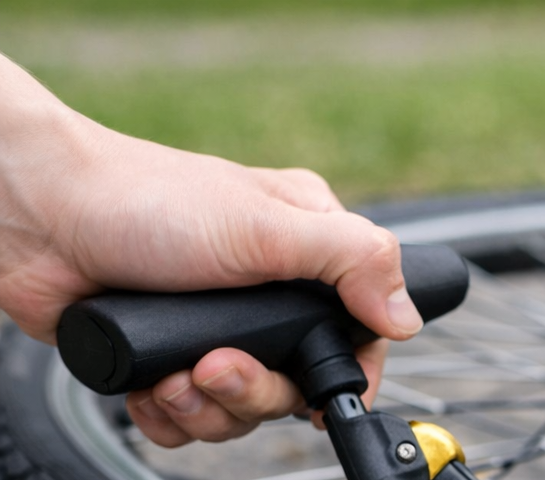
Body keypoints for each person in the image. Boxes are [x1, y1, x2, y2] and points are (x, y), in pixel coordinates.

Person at [0, 53, 418, 448]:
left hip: (112, 325)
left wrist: (52, 202)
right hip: (117, 326)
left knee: (219, 381)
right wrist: (59, 197)